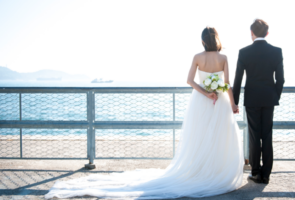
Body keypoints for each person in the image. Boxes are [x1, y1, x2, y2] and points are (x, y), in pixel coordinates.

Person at [45, 27, 244, 199]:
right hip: (220, 102)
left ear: (202, 40)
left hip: (202, 101)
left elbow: (190, 81)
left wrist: (205, 93)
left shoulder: (197, 57)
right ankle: (214, 172)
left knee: (199, 138)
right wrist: (233, 104)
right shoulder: (224, 58)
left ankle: (200, 172)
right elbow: (227, 85)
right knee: (219, 138)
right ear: (217, 39)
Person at [233, 19, 285, 184]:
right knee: (267, 135)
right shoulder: (276, 51)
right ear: (267, 33)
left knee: (255, 136)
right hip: (269, 99)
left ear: (252, 33)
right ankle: (266, 174)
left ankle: (255, 172)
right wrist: (275, 96)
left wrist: (234, 102)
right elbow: (281, 80)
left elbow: (238, 80)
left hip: (252, 99)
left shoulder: (244, 52)